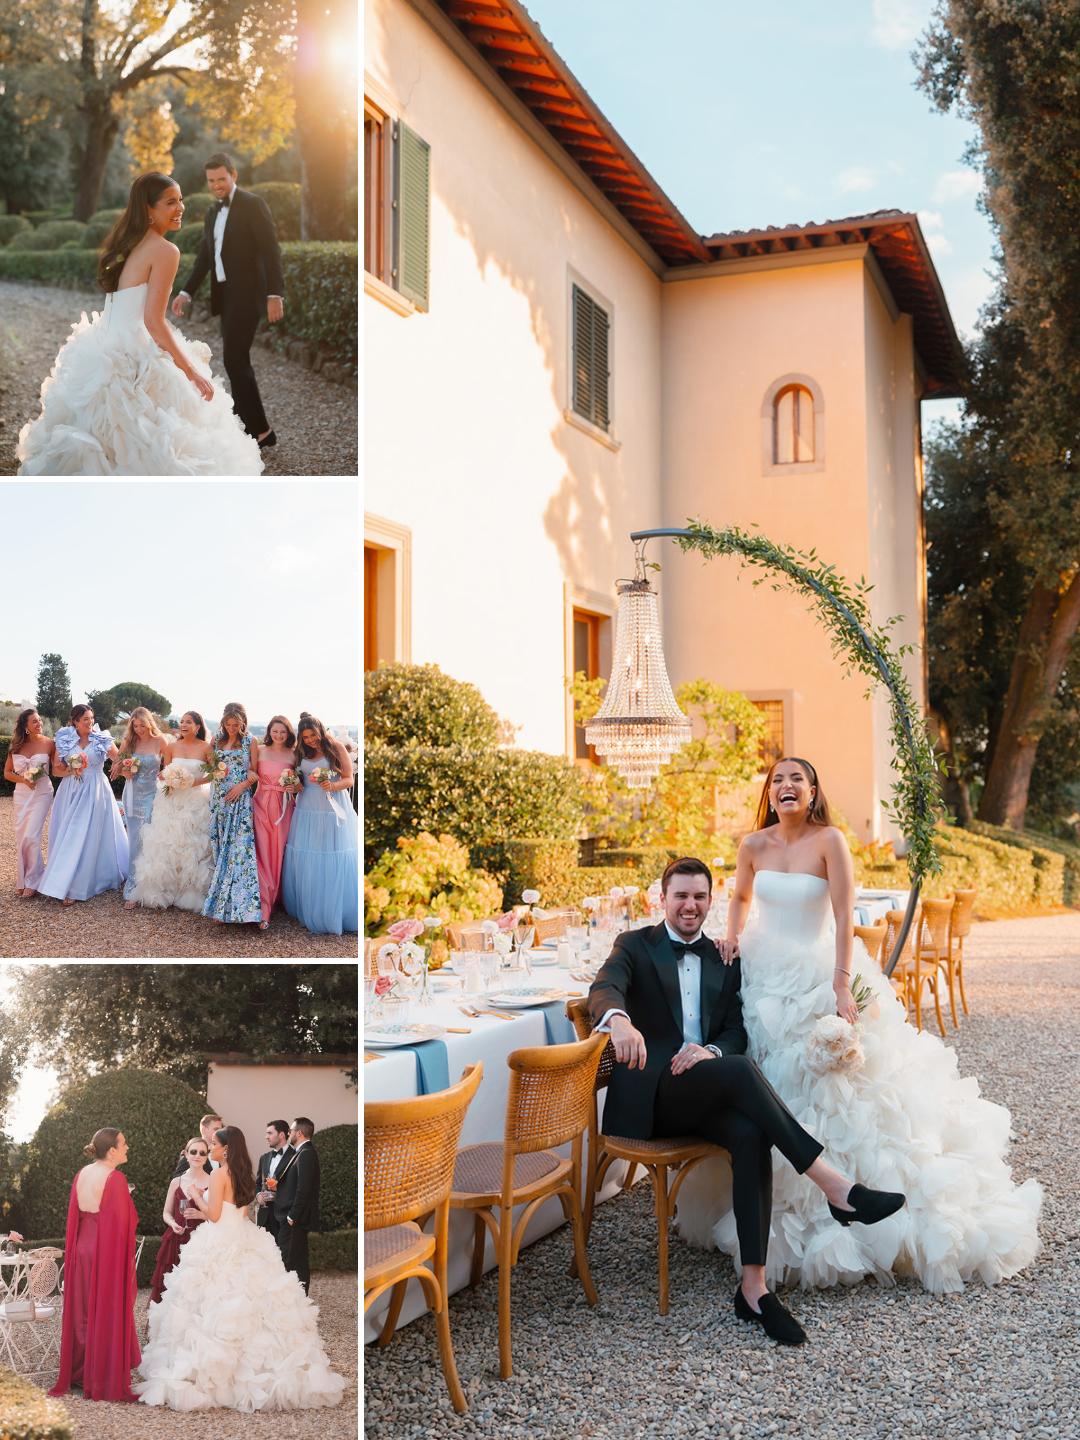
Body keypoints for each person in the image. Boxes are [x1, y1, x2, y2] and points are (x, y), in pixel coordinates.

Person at [675, 757, 1044, 1295]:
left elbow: (847, 916)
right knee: (764, 1081)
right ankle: (771, 1211)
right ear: (769, 792)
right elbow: (739, 897)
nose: (785, 787)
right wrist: (730, 936)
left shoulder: (831, 841)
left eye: (796, 779)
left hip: (814, 973)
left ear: (813, 788)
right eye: (777, 780)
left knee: (833, 1092)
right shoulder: (753, 845)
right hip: (761, 978)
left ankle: (844, 1204)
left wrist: (841, 982)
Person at [588, 854, 906, 1345]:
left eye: (699, 897)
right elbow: (605, 987)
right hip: (652, 1099)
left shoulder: (723, 958)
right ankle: (834, 1185)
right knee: (737, 1071)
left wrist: (709, 1051)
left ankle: (753, 1289)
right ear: (662, 898)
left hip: (702, 1088)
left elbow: (735, 1030)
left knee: (750, 1129)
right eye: (680, 896)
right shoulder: (634, 944)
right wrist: (621, 1021)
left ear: (710, 902)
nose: (689, 905)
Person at [17, 172, 261, 476]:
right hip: (132, 351)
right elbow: (153, 322)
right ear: (148, 210)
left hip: (103, 346)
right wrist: (190, 372)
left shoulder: (128, 244)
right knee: (157, 434)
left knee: (107, 435)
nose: (181, 207)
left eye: (181, 199)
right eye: (171, 202)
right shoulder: (166, 251)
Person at [135, 1125, 344, 1411]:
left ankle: (217, 1375)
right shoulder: (242, 1173)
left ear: (226, 1149)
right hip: (244, 1235)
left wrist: (197, 1196)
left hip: (220, 1238)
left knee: (213, 1302)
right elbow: (242, 1211)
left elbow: (216, 1215)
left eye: (214, 1145)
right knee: (252, 1300)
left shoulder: (220, 1174)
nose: (211, 1149)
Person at [171, 151, 284, 449]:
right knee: (235, 359)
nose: (217, 184)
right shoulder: (212, 212)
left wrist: (275, 293)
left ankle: (258, 430)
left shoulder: (252, 204)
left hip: (248, 295)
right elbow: (205, 258)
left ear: (233, 176)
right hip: (227, 296)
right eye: (211, 181)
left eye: (222, 178)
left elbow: (271, 250)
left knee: (235, 358)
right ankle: (251, 426)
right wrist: (186, 291)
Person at [50, 1127, 140, 1402]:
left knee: (83, 1310)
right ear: (111, 1150)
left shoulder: (83, 1174)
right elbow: (121, 1224)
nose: (127, 1147)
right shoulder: (114, 1178)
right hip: (103, 1249)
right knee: (106, 1307)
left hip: (82, 1248)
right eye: (123, 1144)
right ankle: (101, 1375)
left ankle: (80, 1372)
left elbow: (76, 1216)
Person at [38, 706, 127, 905]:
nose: (89, 722)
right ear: (75, 721)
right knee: (70, 833)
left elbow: (119, 758)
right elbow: (57, 771)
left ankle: (80, 883)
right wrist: (72, 770)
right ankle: (63, 880)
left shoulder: (102, 738)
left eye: (91, 718)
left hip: (96, 791)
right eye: (85, 719)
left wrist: (121, 766)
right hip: (71, 790)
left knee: (88, 834)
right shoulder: (64, 738)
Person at [281, 714, 358, 935]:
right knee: (309, 855)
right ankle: (310, 907)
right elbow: (300, 783)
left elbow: (348, 778)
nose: (310, 740)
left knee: (331, 854)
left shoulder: (335, 747)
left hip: (332, 805)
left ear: (320, 731)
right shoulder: (301, 751)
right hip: (307, 807)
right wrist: (292, 785)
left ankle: (332, 911)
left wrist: (332, 786)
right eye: (305, 737)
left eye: (313, 735)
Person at [130, 710, 214, 912]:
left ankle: (189, 892)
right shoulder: (171, 747)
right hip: (171, 801)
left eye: (189, 722)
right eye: (182, 721)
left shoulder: (206, 748)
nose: (184, 725)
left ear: (198, 726)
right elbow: (165, 773)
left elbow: (214, 773)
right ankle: (163, 889)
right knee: (167, 844)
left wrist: (193, 781)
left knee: (191, 844)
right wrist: (170, 779)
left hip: (195, 801)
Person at [203, 702, 262, 924]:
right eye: (228, 724)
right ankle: (219, 907)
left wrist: (240, 786)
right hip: (219, 799)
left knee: (239, 851)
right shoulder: (216, 740)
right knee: (220, 849)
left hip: (240, 800)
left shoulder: (250, 741)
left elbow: (254, 773)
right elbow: (210, 767)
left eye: (235, 724)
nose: (231, 728)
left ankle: (243, 909)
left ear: (242, 723)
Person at [112, 707, 168, 908]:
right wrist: (124, 771)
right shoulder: (130, 740)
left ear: (149, 723)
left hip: (152, 795)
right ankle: (133, 887)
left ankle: (151, 885)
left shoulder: (160, 740)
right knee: (135, 838)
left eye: (142, 725)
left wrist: (165, 775)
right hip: (132, 793)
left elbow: (169, 764)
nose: (139, 729)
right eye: (135, 726)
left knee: (150, 837)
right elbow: (118, 763)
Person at [252, 715, 301, 929]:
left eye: (283, 732)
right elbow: (249, 773)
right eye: (275, 731)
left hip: (284, 807)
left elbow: (301, 784)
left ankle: (279, 896)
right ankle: (264, 907)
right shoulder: (260, 750)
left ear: (288, 733)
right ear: (269, 731)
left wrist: (294, 786)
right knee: (262, 854)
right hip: (261, 804)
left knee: (279, 853)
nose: (279, 735)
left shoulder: (294, 754)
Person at [149, 1138, 210, 1304]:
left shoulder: (213, 1182)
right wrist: (172, 1223)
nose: (197, 1155)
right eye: (193, 1152)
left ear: (207, 1157)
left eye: (202, 1153)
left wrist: (201, 1214)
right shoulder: (176, 1182)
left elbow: (218, 1215)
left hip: (201, 1240)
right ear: (186, 1154)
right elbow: (166, 1212)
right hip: (175, 1238)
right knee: (170, 1286)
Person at [4, 707, 55, 897]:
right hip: (21, 795)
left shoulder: (50, 743)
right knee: (22, 837)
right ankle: (23, 878)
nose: (39, 723)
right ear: (26, 726)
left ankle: (34, 880)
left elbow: (58, 768)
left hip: (42, 793)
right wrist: (24, 780)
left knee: (32, 836)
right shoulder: (16, 745)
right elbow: (7, 773)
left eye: (40, 720)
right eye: (34, 721)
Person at [272, 1117, 320, 1294]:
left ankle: (291, 1299)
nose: (290, 1134)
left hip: (294, 1220)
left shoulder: (306, 1153)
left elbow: (304, 1188)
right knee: (298, 1261)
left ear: (299, 1133)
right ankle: (299, 1300)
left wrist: (292, 1215)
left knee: (289, 1261)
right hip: (292, 1218)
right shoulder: (301, 1152)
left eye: (291, 1131)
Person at [255, 1120, 292, 1239]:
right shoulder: (264, 1158)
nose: (266, 1137)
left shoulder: (295, 1156)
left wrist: (279, 1191)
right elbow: (257, 1184)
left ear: (281, 1135)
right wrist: (258, 1195)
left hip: (285, 1216)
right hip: (265, 1215)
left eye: (270, 1133)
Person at [172, 1114, 222, 1179]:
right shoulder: (191, 1152)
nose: (220, 1133)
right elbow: (178, 1178)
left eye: (221, 1130)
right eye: (216, 1129)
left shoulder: (223, 1152)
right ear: (204, 1130)